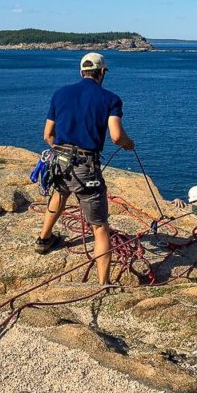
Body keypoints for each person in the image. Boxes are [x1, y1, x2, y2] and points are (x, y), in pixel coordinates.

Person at [35, 52, 134, 287]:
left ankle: (43, 239)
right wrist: (129, 144)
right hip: (86, 166)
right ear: (102, 73)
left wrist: (62, 152)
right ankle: (103, 283)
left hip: (59, 161)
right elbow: (117, 136)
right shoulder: (111, 99)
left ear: (81, 72)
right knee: (100, 226)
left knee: (60, 193)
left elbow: (48, 135)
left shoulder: (60, 94)